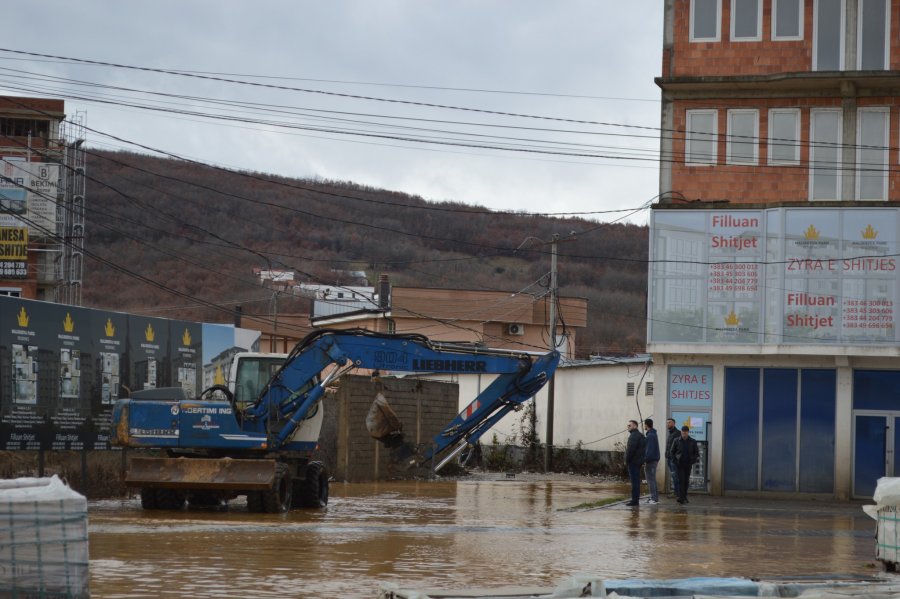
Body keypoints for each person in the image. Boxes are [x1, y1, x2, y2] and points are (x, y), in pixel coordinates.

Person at [671, 425, 699, 504]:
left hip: (688, 464)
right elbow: (672, 452)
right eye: (683, 432)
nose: (684, 434)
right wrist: (675, 461)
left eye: (685, 432)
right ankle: (681, 497)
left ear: (688, 432)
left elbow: (696, 453)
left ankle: (683, 496)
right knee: (681, 480)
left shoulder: (692, 441)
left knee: (686, 481)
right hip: (679, 464)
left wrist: (692, 461)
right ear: (681, 432)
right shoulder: (676, 440)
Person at [624, 419, 645, 507]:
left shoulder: (634, 436)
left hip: (633, 462)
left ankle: (634, 500)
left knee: (635, 482)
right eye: (628, 426)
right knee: (636, 481)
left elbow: (630, 450)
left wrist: (626, 460)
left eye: (630, 425)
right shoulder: (641, 435)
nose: (628, 427)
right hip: (639, 461)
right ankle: (635, 499)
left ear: (635, 426)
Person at [643, 418, 660, 504]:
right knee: (652, 479)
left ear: (646, 425)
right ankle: (654, 497)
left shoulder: (650, 436)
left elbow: (649, 450)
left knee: (650, 480)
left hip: (651, 461)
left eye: (644, 425)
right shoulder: (653, 434)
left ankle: (653, 498)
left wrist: (644, 460)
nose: (644, 426)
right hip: (653, 460)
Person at [665, 418, 680, 498]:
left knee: (675, 476)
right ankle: (676, 492)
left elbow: (679, 448)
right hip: (669, 458)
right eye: (667, 422)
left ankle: (677, 493)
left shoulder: (677, 433)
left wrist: (675, 458)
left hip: (673, 459)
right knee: (674, 476)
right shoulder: (670, 433)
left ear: (674, 424)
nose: (668, 424)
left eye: (670, 422)